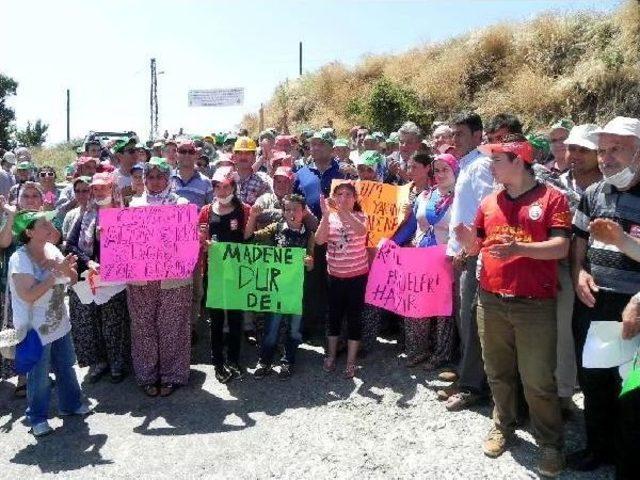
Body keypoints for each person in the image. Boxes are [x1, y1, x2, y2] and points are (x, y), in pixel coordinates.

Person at [456, 136, 570, 478]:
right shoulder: (489, 202)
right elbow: (478, 245)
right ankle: (502, 425)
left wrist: (520, 248)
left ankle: (550, 444)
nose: (491, 167)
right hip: (490, 300)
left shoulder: (552, 198)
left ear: (518, 161)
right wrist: (468, 244)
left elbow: (561, 247)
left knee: (537, 380)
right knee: (497, 372)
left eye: (497, 161)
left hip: (534, 304)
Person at [569, 117, 640, 479]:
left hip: (635, 309)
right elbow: (579, 242)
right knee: (594, 382)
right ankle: (598, 449)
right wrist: (580, 273)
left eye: (616, 149)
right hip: (596, 303)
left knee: (632, 392)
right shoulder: (594, 193)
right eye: (602, 150)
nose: (606, 158)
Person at [9, 210, 90, 437]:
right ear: (29, 232)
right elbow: (27, 294)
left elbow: (71, 278)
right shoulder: (19, 259)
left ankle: (71, 405)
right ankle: (36, 418)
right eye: (43, 223)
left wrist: (68, 270)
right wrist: (54, 275)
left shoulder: (51, 248)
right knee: (39, 376)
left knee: (66, 366)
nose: (49, 226)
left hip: (59, 323)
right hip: (35, 329)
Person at [127, 158, 191, 397]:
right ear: (144, 179)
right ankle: (146, 375)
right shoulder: (134, 205)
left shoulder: (181, 204)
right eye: (150, 177)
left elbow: (186, 241)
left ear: (168, 178)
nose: (155, 182)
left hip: (173, 277)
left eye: (160, 176)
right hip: (141, 278)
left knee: (172, 325)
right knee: (143, 326)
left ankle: (172, 375)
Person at [443, 111, 494, 411]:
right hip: (463, 253)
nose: (455, 140)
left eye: (460, 134)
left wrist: (468, 250)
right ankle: (467, 374)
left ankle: (473, 386)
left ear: (478, 136)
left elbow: (487, 212)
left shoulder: (481, 166)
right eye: (453, 134)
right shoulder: (467, 165)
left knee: (472, 320)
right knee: (464, 318)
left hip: (473, 254)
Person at [553, 124, 602, 416]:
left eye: (584, 149)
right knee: (562, 334)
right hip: (560, 269)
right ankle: (563, 393)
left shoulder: (612, 187)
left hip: (599, 273)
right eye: (572, 148)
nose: (576, 154)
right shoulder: (555, 184)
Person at [393, 154, 458, 369]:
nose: (439, 174)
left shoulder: (460, 198)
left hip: (445, 260)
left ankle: (441, 354)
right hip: (419, 258)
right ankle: (418, 350)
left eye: (444, 170)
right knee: (417, 305)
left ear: (455, 170)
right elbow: (412, 225)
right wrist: (392, 243)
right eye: (436, 170)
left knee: (442, 311)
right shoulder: (424, 196)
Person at [64, 172, 130, 384]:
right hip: (91, 276)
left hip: (116, 278)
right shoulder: (86, 215)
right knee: (93, 320)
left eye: (104, 187)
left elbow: (135, 247)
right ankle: (99, 362)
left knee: (114, 321)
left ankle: (117, 363)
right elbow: (71, 244)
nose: (99, 191)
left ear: (113, 189)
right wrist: (89, 261)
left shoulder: (124, 214)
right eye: (96, 188)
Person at [245, 194, 315, 379]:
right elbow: (249, 238)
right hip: (275, 290)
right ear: (283, 211)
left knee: (294, 329)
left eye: (296, 209)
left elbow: (311, 264)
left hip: (296, 291)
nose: (292, 213)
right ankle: (265, 361)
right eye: (288, 209)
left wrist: (309, 262)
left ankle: (287, 361)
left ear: (304, 212)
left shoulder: (309, 235)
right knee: (271, 329)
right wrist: (252, 217)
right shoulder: (275, 229)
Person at [199, 166, 250, 384]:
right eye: (217, 186)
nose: (221, 190)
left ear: (233, 186)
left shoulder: (245, 209)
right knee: (217, 320)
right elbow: (200, 240)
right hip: (215, 272)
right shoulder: (206, 211)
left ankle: (234, 359)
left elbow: (249, 239)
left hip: (238, 272)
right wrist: (204, 243)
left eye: (225, 186)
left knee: (236, 318)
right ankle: (218, 362)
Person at [315, 182, 369, 378]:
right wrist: (326, 216)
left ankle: (351, 361)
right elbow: (320, 241)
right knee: (334, 317)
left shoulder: (362, 216)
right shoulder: (330, 217)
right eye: (339, 194)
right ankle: (330, 355)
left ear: (355, 198)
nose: (343, 198)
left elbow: (361, 231)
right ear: (334, 196)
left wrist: (342, 211)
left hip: (357, 277)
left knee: (355, 318)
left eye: (348, 195)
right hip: (335, 277)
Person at [0, 182, 48, 395]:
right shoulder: (10, 219)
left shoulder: (45, 219)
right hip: (15, 289)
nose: (30, 199)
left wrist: (44, 217)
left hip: (44, 284)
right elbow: (3, 242)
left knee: (42, 330)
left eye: (34, 196)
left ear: (41, 200)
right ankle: (22, 379)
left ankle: (40, 375)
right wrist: (10, 216)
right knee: (22, 331)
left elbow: (56, 240)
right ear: (17, 200)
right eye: (25, 196)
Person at [171, 141, 213, 210]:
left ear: (196, 156)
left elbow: (210, 211)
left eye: (191, 152)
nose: (187, 155)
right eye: (183, 151)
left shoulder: (206, 182)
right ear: (176, 155)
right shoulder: (166, 179)